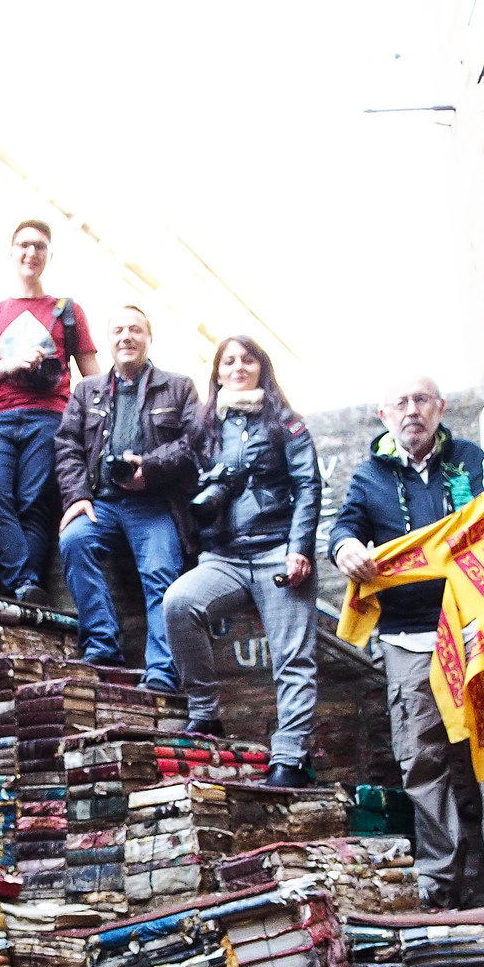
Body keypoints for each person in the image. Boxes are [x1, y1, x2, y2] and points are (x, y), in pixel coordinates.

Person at [329, 375, 484, 906]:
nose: (411, 410)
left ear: (439, 408)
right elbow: (342, 529)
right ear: (383, 414)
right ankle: (440, 878)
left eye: (420, 400)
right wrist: (345, 548)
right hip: (407, 635)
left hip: (480, 628)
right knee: (421, 756)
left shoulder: (475, 461)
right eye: (400, 401)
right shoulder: (368, 478)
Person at [159, 337, 319, 786]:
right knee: (178, 603)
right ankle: (205, 714)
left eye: (247, 359)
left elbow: (309, 485)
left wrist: (300, 547)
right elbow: (175, 467)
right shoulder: (205, 426)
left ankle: (290, 756)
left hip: (277, 552)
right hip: (222, 555)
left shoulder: (286, 422)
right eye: (228, 361)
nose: (238, 367)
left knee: (293, 658)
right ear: (217, 373)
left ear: (261, 367)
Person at [54, 307, 200, 687]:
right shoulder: (87, 391)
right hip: (100, 502)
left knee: (161, 576)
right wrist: (76, 496)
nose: (126, 337)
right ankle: (102, 645)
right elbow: (67, 445)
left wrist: (148, 468)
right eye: (118, 330)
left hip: (153, 505)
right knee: (73, 540)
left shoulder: (179, 386)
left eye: (135, 330)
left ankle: (162, 673)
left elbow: (194, 444)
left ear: (148, 338)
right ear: (109, 340)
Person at [0, 220, 99, 602]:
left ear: (49, 255)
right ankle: (25, 584)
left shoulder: (67, 311)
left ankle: (22, 590)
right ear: (11, 251)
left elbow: (93, 383)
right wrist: (10, 364)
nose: (30, 253)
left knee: (36, 504)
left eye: (39, 247)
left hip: (52, 418)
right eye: (23, 245)